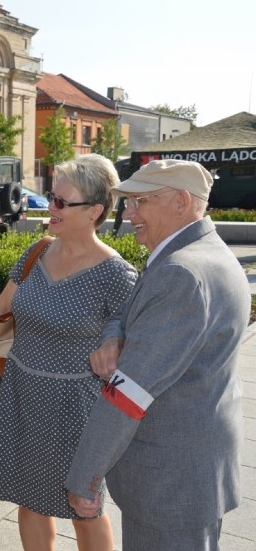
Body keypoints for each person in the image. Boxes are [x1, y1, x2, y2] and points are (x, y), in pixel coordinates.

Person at [66, 159, 250, 550]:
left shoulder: (181, 271)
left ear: (181, 202)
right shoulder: (197, 252)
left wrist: (84, 478)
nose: (128, 213)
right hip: (190, 469)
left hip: (171, 484)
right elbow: (127, 309)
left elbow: (128, 394)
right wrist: (114, 339)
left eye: (139, 201)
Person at [0, 154, 138, 551]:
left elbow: (134, 346)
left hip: (77, 409)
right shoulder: (38, 251)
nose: (50, 207)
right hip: (23, 395)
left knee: (85, 507)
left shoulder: (117, 275)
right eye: (51, 197)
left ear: (94, 211)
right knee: (30, 500)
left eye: (62, 202)